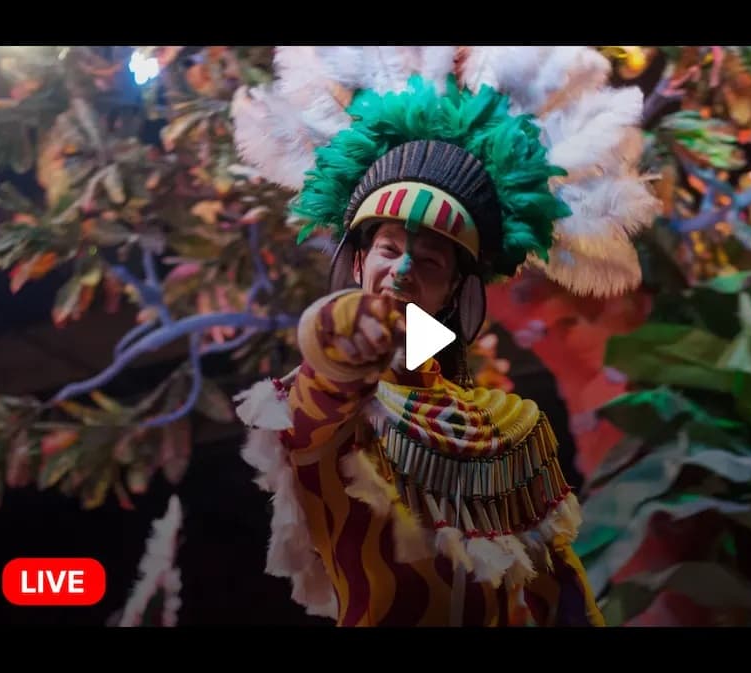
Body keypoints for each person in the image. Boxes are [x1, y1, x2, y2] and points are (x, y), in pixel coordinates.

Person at [231, 46, 659, 626]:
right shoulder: (316, 400)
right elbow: (331, 359)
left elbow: (559, 586)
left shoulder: (512, 428)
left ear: (455, 291)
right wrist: (358, 334)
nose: (403, 269)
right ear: (357, 264)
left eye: (430, 262)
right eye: (388, 250)